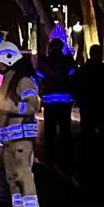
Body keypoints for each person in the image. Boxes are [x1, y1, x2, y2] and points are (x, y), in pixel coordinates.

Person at [0, 42, 42, 207]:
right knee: (12, 176)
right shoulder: (9, 78)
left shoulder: (24, 80)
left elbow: (33, 105)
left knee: (23, 175)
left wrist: (12, 108)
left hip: (21, 137)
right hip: (9, 138)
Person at [36, 38, 76, 168]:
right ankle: (69, 158)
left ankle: (50, 159)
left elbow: (38, 75)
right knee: (65, 132)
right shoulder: (68, 61)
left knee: (50, 132)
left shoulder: (45, 62)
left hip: (50, 101)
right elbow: (74, 74)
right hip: (65, 100)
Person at [75, 44, 104, 151]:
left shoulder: (83, 69)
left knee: (88, 135)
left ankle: (89, 156)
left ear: (90, 54)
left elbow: (76, 86)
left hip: (87, 106)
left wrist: (79, 100)